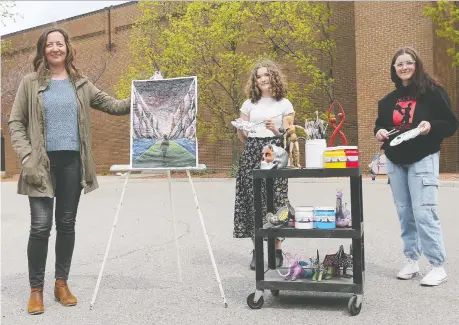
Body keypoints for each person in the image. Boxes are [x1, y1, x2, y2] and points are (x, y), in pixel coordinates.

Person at [8, 27, 130, 315]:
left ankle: (61, 283)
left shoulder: (81, 84)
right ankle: (36, 289)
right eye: (49, 44)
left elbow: (113, 105)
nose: (54, 48)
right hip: (39, 165)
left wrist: (144, 94)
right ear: (43, 50)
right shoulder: (29, 83)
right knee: (40, 228)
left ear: (67, 48)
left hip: (72, 164)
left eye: (59, 43)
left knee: (66, 226)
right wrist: (26, 156)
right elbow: (16, 122)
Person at [374, 46, 458, 286]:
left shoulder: (432, 92)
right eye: (399, 64)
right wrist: (378, 131)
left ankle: (437, 265)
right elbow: (380, 124)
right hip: (395, 160)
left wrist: (431, 126)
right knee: (405, 212)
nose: (404, 67)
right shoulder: (387, 100)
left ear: (416, 64)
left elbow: (451, 123)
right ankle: (412, 259)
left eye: (408, 62)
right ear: (394, 69)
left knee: (424, 211)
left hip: (423, 157)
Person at [233, 59, 294, 270]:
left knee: (276, 198)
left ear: (273, 76)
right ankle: (257, 249)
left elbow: (289, 136)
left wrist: (275, 130)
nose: (262, 79)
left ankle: (276, 249)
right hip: (252, 152)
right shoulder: (248, 104)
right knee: (252, 199)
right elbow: (242, 136)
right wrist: (242, 129)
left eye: (266, 75)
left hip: (275, 151)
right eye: (258, 76)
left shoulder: (284, 104)